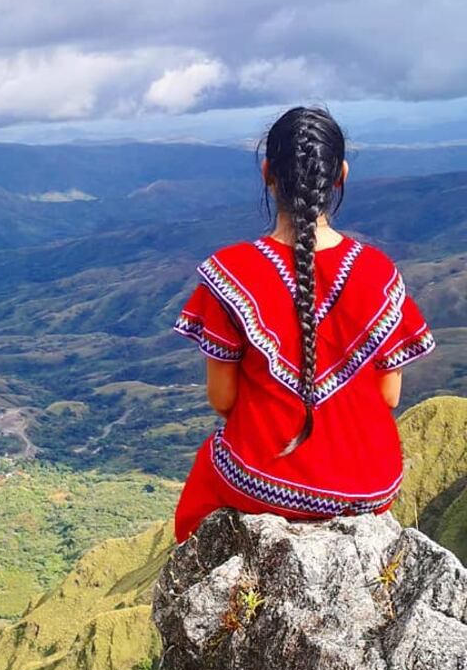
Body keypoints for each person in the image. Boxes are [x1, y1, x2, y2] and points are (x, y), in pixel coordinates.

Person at [173, 106, 435, 543]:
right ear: (341, 175)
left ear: (267, 173)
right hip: (371, 484)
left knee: (208, 475)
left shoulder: (230, 274)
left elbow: (222, 399)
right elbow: (389, 396)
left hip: (266, 477)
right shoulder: (380, 273)